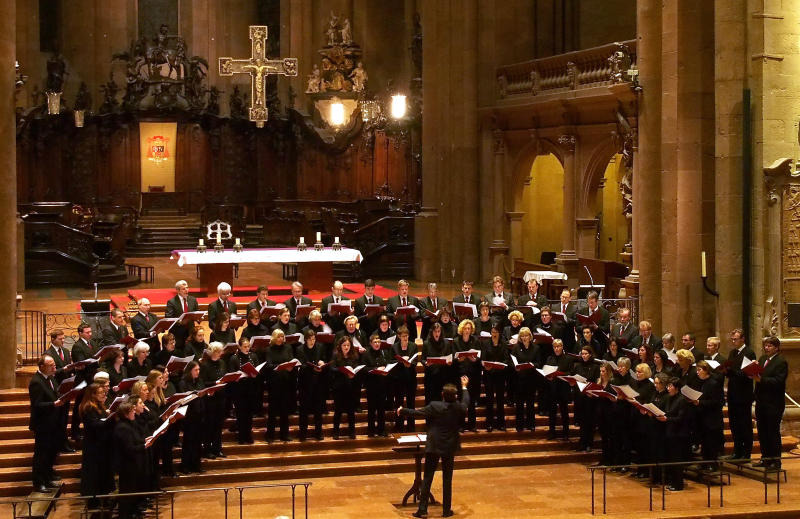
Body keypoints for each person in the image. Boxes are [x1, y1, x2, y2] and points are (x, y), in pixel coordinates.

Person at [397, 376, 470, 519]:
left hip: (434, 445)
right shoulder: (459, 407)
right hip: (449, 446)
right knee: (447, 479)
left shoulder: (435, 406)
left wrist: (402, 410)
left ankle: (422, 510)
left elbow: (417, 412)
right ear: (455, 396)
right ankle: (446, 510)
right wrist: (465, 387)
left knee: (428, 477)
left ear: (442, 395)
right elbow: (466, 402)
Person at [29, 355, 65, 492]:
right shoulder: (36, 382)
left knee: (51, 452)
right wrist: (53, 404)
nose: (54, 367)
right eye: (51, 365)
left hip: (53, 422)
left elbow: (55, 393)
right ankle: (39, 483)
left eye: (54, 364)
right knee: (41, 454)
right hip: (43, 425)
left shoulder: (50, 378)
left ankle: (48, 477)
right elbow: (37, 405)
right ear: (42, 367)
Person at [752, 336, 788, 469]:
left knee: (772, 432)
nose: (766, 348)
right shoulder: (762, 359)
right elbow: (759, 375)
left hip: (773, 403)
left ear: (776, 347)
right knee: (762, 431)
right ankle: (765, 458)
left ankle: (775, 461)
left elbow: (778, 381)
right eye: (765, 346)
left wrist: (761, 380)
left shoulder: (781, 362)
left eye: (769, 346)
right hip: (761, 401)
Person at [78, 383, 115, 507]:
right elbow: (95, 425)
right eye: (100, 392)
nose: (104, 394)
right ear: (92, 394)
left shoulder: (99, 405)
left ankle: (104, 498)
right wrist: (110, 419)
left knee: (103, 472)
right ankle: (94, 501)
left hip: (102, 444)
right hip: (94, 446)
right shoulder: (88, 407)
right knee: (94, 473)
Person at [113, 401, 148, 518]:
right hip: (127, 465)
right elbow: (129, 449)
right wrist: (144, 446)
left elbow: (135, 439)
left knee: (133, 490)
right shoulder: (123, 427)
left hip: (131, 464)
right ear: (126, 414)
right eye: (132, 411)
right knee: (127, 492)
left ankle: (132, 512)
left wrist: (145, 440)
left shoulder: (129, 424)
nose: (134, 412)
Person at [724, 328, 755, 461]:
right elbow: (731, 368)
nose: (733, 341)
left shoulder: (749, 352)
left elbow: (747, 373)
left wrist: (731, 371)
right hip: (733, 392)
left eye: (735, 339)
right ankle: (737, 450)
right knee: (734, 423)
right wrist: (726, 371)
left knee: (744, 423)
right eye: (732, 339)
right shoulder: (732, 352)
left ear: (742, 339)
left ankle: (746, 452)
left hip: (743, 394)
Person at [264, 329, 297, 442]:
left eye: (282, 337)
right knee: (272, 411)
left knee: (284, 410)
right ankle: (270, 435)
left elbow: (291, 361)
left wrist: (291, 366)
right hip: (274, 383)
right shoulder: (269, 349)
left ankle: (285, 434)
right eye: (278, 337)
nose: (280, 339)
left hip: (285, 382)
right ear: (274, 338)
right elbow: (268, 365)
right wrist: (281, 366)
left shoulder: (288, 348)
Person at [70, 322, 100, 440]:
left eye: (90, 332)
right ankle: (75, 432)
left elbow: (96, 359)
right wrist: (94, 360)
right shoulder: (77, 346)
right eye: (87, 332)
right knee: (79, 405)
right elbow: (81, 363)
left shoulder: (92, 343)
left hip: (92, 378)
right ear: (80, 333)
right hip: (83, 380)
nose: (90, 334)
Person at [226, 337, 259, 444]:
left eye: (248, 346)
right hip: (239, 390)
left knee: (249, 414)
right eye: (244, 346)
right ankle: (241, 436)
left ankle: (248, 435)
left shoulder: (253, 356)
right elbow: (231, 374)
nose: (247, 348)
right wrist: (240, 376)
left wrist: (255, 374)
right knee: (241, 414)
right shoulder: (234, 358)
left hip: (251, 388)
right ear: (239, 347)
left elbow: (258, 370)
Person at [296, 330, 327, 441]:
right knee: (304, 411)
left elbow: (323, 358)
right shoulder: (300, 349)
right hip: (305, 383)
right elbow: (301, 365)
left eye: (314, 339)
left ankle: (318, 433)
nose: (312, 341)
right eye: (310, 339)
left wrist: (322, 362)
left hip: (318, 382)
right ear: (305, 339)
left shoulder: (320, 347)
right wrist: (311, 367)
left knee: (318, 410)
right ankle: (302, 434)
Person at [692, 360, 724, 470]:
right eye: (697, 370)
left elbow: (717, 402)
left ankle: (712, 464)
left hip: (712, 418)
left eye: (699, 370)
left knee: (711, 443)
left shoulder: (713, 383)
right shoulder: (698, 382)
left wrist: (700, 403)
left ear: (706, 370)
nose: (697, 372)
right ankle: (705, 462)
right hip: (701, 417)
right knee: (704, 442)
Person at [662, 378, 691, 491]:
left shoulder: (682, 400)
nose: (668, 388)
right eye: (668, 386)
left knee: (677, 460)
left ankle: (678, 484)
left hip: (679, 434)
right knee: (671, 459)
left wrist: (667, 419)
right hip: (670, 433)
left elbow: (681, 418)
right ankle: (672, 481)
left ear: (677, 388)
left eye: (670, 386)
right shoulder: (669, 398)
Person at [453, 319, 481, 431]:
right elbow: (453, 358)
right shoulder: (456, 341)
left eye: (469, 328)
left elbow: (479, 357)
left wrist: (474, 360)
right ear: (461, 329)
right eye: (465, 328)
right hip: (460, 374)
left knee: (472, 400)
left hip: (472, 374)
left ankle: (472, 425)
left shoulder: (475, 341)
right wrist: (459, 360)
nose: (467, 330)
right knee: (461, 400)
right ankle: (461, 425)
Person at [331, 335, 362, 439]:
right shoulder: (336, 355)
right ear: (340, 346)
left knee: (351, 411)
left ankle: (352, 431)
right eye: (344, 345)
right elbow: (332, 368)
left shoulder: (354, 356)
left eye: (348, 345)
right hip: (339, 387)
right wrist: (342, 370)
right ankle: (335, 432)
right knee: (338, 411)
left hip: (350, 387)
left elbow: (357, 368)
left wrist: (353, 373)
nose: (346, 347)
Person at [511, 327, 541, 432]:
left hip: (531, 380)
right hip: (519, 379)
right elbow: (512, 362)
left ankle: (531, 424)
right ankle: (519, 425)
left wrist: (532, 365)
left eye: (526, 335)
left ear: (530, 336)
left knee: (530, 403)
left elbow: (538, 363)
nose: (524, 338)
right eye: (522, 336)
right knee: (519, 404)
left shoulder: (536, 348)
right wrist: (516, 367)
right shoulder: (516, 348)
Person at [200, 342, 228, 457]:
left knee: (218, 425)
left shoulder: (222, 363)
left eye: (221, 351)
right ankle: (207, 450)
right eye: (218, 351)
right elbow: (202, 382)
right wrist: (214, 383)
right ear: (213, 352)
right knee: (209, 425)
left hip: (221, 398)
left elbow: (225, 376)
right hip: (210, 400)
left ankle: (217, 448)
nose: (220, 353)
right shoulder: (205, 365)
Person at [178, 361, 205, 474]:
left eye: (199, 370)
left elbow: (202, 392)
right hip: (189, 416)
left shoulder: (199, 381)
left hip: (199, 415)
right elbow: (183, 400)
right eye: (196, 370)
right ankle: (185, 466)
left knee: (197, 442)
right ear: (190, 371)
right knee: (188, 441)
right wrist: (194, 395)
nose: (198, 372)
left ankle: (196, 465)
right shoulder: (183, 382)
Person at [363, 333, 392, 437]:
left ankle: (381, 430)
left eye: (378, 342)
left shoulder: (384, 352)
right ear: (370, 343)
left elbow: (388, 363)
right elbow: (364, 368)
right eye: (375, 342)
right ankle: (371, 430)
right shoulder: (366, 354)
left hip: (382, 385)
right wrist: (375, 369)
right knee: (371, 409)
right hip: (371, 385)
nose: (377, 344)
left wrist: (386, 369)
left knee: (381, 409)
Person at [572, 345, 600, 452]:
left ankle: (589, 443)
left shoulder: (595, 367)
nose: (584, 356)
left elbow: (597, 383)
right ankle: (582, 443)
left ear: (590, 354)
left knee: (590, 422)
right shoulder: (577, 366)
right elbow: (574, 380)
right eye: (582, 354)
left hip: (590, 398)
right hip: (580, 397)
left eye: (586, 354)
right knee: (582, 422)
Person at [482, 324, 509, 431]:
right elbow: (483, 358)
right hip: (489, 375)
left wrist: (502, 365)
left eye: (496, 332)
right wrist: (486, 366)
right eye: (492, 332)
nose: (494, 334)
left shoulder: (503, 344)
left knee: (500, 400)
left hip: (500, 375)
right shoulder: (485, 344)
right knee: (489, 400)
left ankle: (501, 423)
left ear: (499, 333)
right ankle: (489, 423)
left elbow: (506, 359)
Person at [545, 339, 573, 440]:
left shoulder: (568, 359)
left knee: (564, 412)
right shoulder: (550, 358)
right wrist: (548, 376)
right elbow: (547, 371)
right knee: (552, 412)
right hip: (552, 388)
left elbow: (570, 372)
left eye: (558, 346)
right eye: (554, 347)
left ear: (562, 347)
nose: (556, 349)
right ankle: (551, 432)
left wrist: (561, 374)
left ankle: (566, 433)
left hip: (563, 388)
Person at [392, 326, 419, 432]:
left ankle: (411, 426)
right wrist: (401, 362)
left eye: (407, 336)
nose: (405, 338)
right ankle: (399, 425)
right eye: (403, 336)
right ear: (399, 336)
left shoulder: (413, 346)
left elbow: (416, 360)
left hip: (410, 377)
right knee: (399, 402)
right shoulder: (394, 347)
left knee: (411, 402)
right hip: (398, 378)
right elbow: (391, 361)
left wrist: (410, 364)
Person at [422, 323, 453, 405]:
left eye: (438, 331)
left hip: (442, 376)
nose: (437, 333)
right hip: (430, 376)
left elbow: (450, 357)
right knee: (429, 400)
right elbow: (422, 359)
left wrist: (449, 362)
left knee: (441, 401)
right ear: (432, 332)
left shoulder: (446, 343)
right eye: (435, 331)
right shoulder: (426, 343)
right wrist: (425, 363)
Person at [165, 280, 199, 351]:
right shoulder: (172, 302)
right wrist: (180, 322)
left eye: (187, 288)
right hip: (178, 334)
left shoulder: (193, 300)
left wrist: (199, 318)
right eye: (183, 289)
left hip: (190, 332)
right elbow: (168, 318)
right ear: (178, 290)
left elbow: (196, 312)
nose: (186, 290)